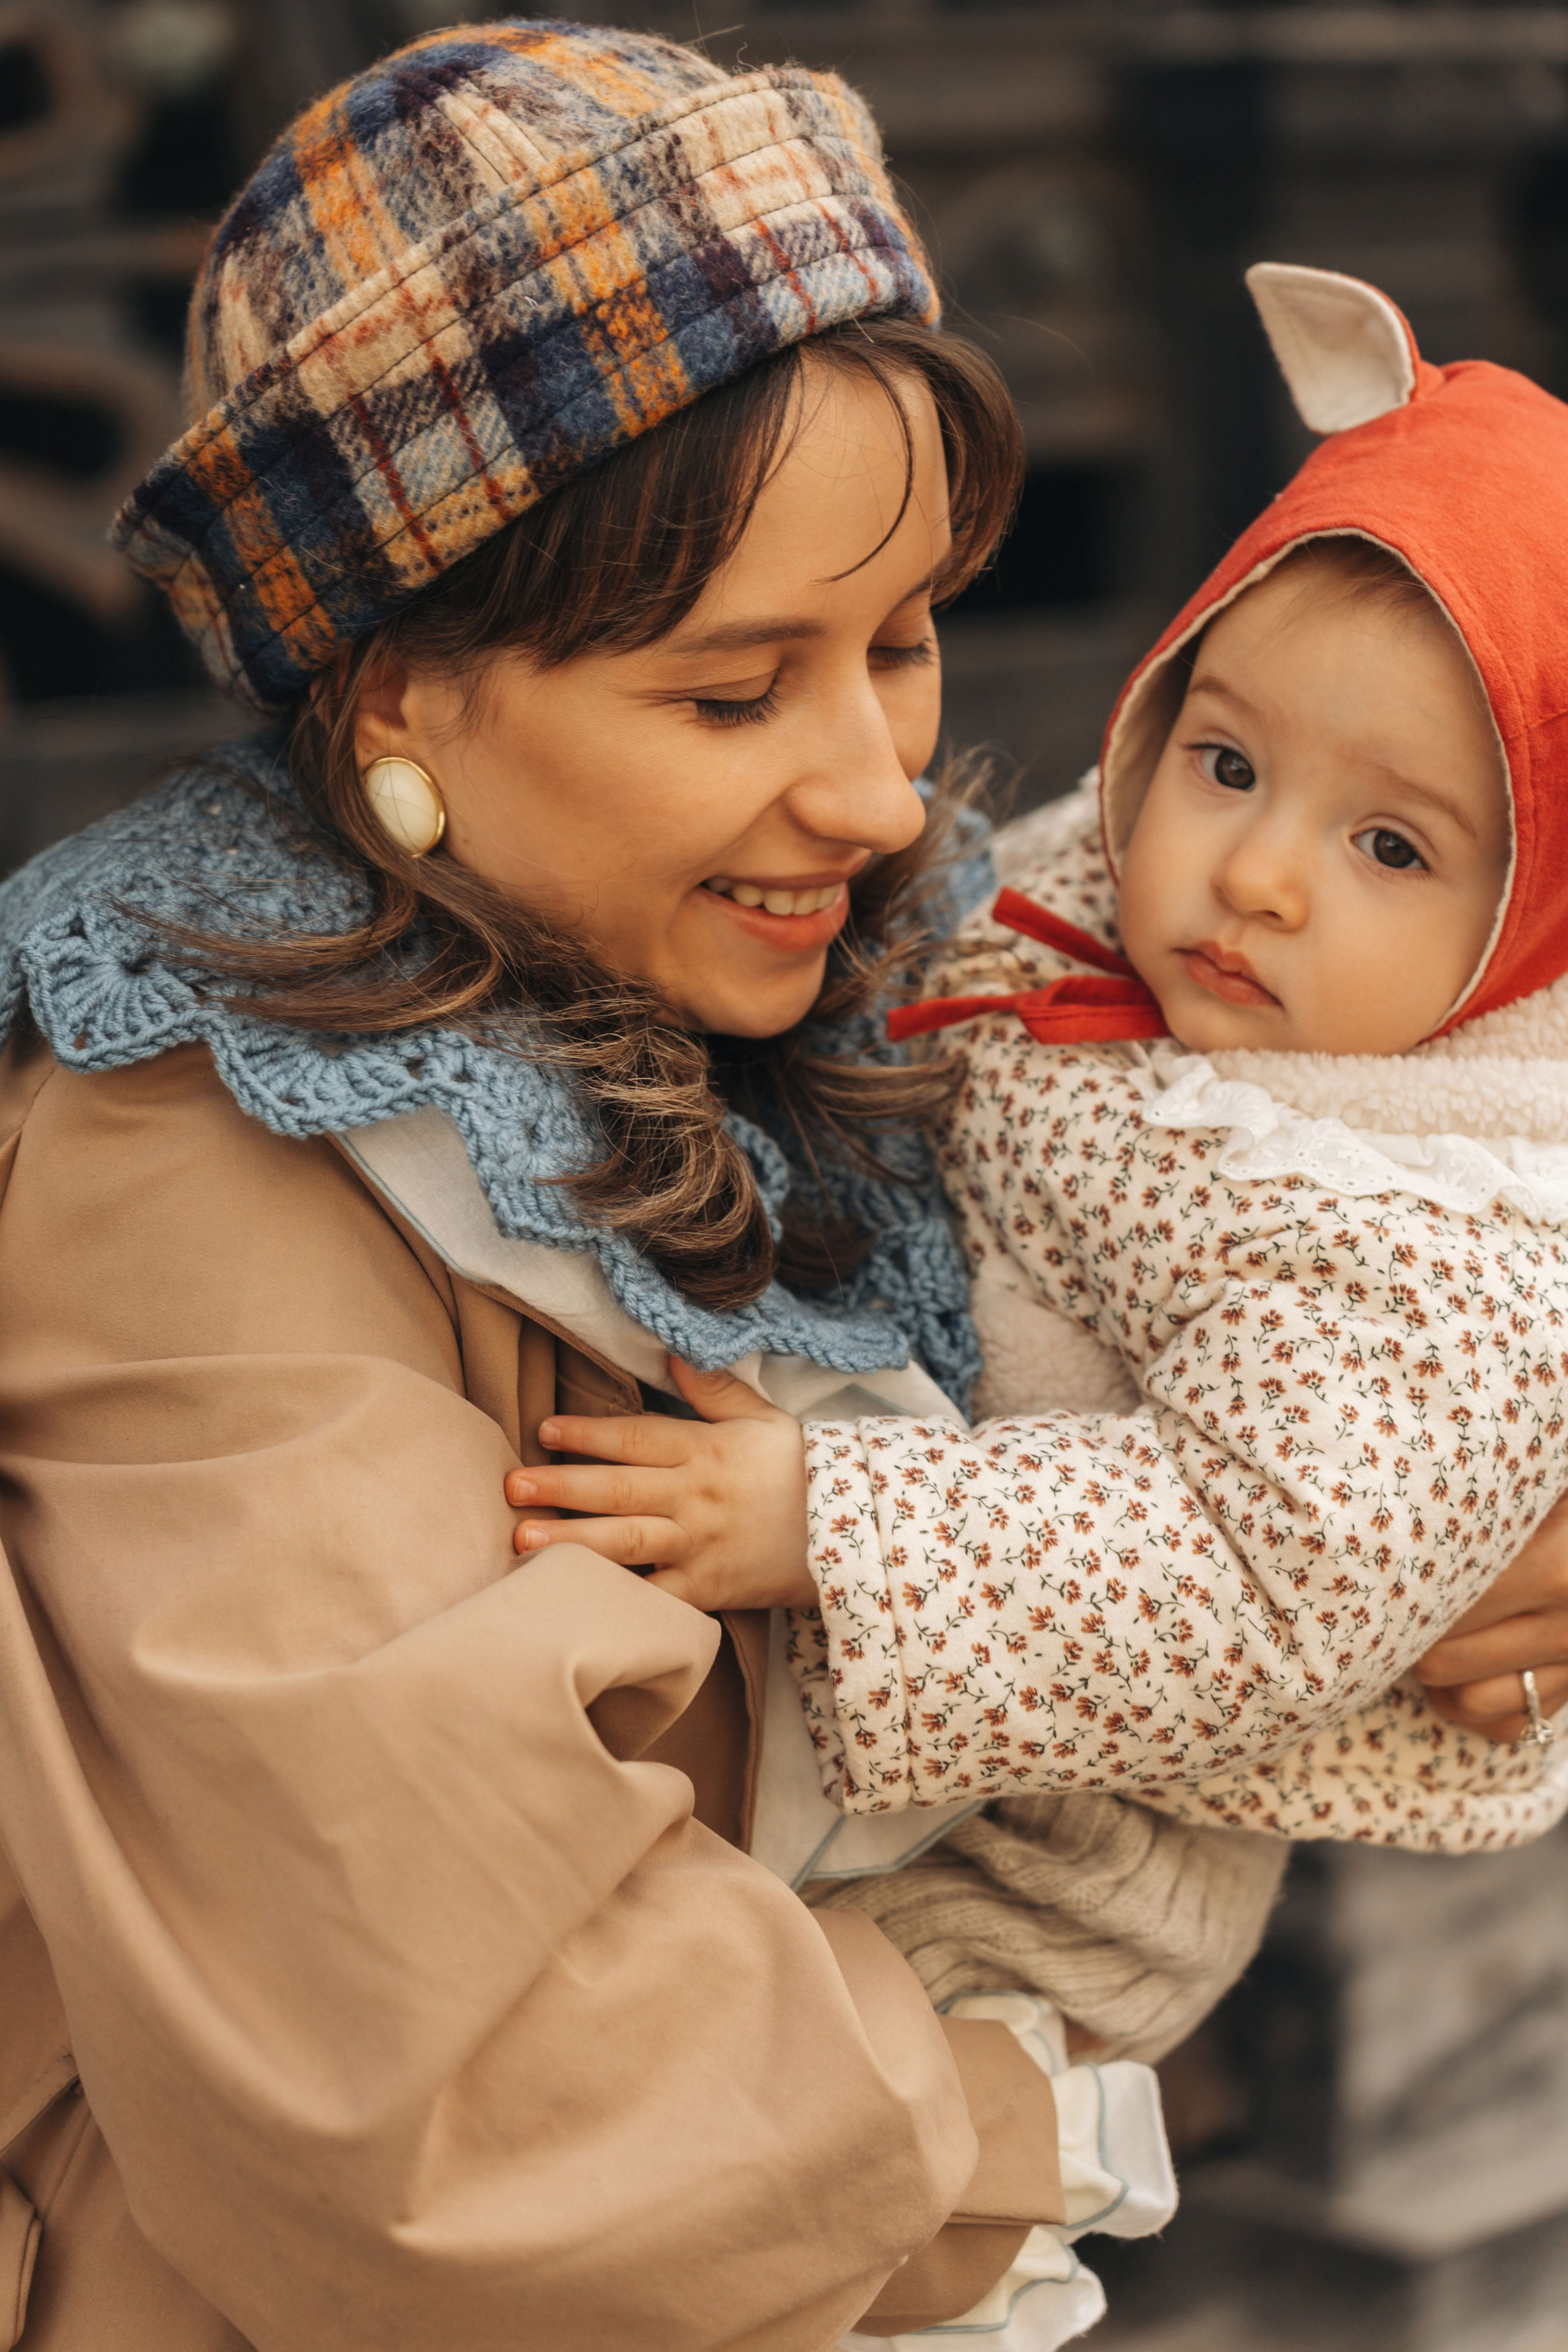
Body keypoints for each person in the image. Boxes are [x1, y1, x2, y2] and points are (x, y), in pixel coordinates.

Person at [0, 20, 1130, 2350]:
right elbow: (468, 2094)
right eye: (735, 697)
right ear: (399, 702)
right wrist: (1035, 2115)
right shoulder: (197, 1173)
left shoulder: (861, 999)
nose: (878, 793)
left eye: (901, 646)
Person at [521, 264, 1568, 1871]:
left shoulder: (1416, 1238)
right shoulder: (1116, 898)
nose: (1260, 872)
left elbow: (1251, 1568)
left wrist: (829, 1525)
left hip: (1101, 1839)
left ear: (1530, 925)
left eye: (1390, 846)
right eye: (1224, 760)